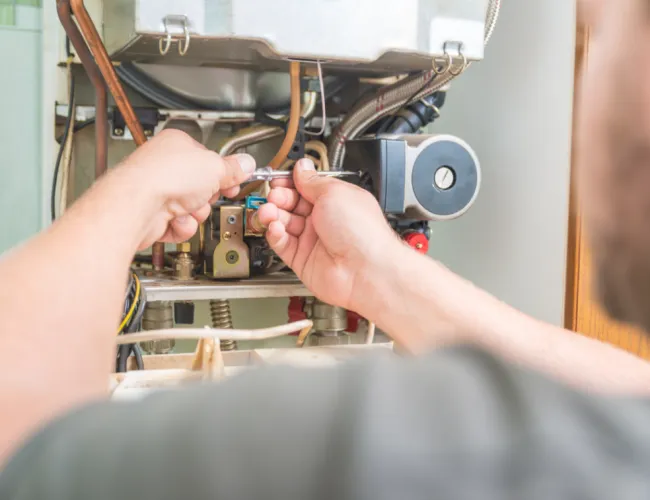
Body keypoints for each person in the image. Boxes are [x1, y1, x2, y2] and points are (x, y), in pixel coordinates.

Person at [2, 0, 650, 497]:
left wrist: (128, 198)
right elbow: (620, 396)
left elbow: (17, 449)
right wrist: (379, 274)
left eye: (604, 33)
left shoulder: (371, 438)